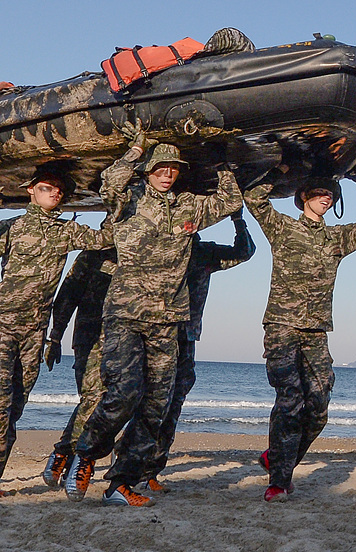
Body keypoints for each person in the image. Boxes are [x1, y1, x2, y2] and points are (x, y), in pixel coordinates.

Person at [64, 138, 242, 507]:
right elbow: (109, 183)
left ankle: (121, 483)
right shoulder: (128, 200)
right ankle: (85, 454)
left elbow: (230, 202)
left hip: (168, 318)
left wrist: (221, 160)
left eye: (173, 168)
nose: (167, 173)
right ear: (148, 170)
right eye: (160, 167)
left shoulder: (190, 205)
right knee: (124, 393)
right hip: (126, 313)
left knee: (156, 406)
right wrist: (135, 149)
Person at [0, 165, 113, 499]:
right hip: (3, 325)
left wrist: (118, 192)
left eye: (60, 189)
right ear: (31, 189)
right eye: (47, 186)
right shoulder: (12, 226)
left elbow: (106, 238)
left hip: (35, 332)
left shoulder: (65, 232)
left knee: (14, 405)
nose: (55, 192)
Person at [244, 162, 356, 502]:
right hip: (281, 325)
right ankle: (279, 481)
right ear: (304, 197)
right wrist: (281, 170)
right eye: (319, 193)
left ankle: (278, 458)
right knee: (290, 401)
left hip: (316, 330)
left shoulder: (336, 238)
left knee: (319, 405)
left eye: (330, 194)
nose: (325, 198)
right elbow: (254, 199)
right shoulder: (282, 228)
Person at [130, 209, 256, 493]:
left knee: (174, 404)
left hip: (186, 336)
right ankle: (130, 465)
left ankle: (151, 471)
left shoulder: (204, 252)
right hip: (155, 332)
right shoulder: (157, 245)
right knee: (148, 402)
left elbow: (245, 251)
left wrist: (237, 219)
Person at [40, 247, 117, 488]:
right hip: (90, 337)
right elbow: (67, 295)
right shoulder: (92, 255)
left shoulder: (140, 251)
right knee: (93, 397)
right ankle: (68, 455)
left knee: (114, 401)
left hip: (125, 339)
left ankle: (74, 458)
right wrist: (55, 337)